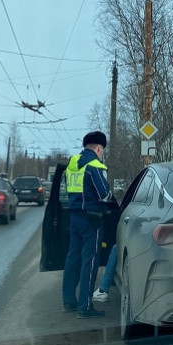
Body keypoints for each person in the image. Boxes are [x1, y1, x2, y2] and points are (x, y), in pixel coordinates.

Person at [62, 131, 112, 318]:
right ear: (99, 148)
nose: (102, 154)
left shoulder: (72, 163)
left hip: (74, 217)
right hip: (92, 219)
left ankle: (69, 302)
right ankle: (85, 306)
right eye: (103, 151)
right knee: (90, 261)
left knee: (72, 258)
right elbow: (104, 194)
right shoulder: (95, 166)